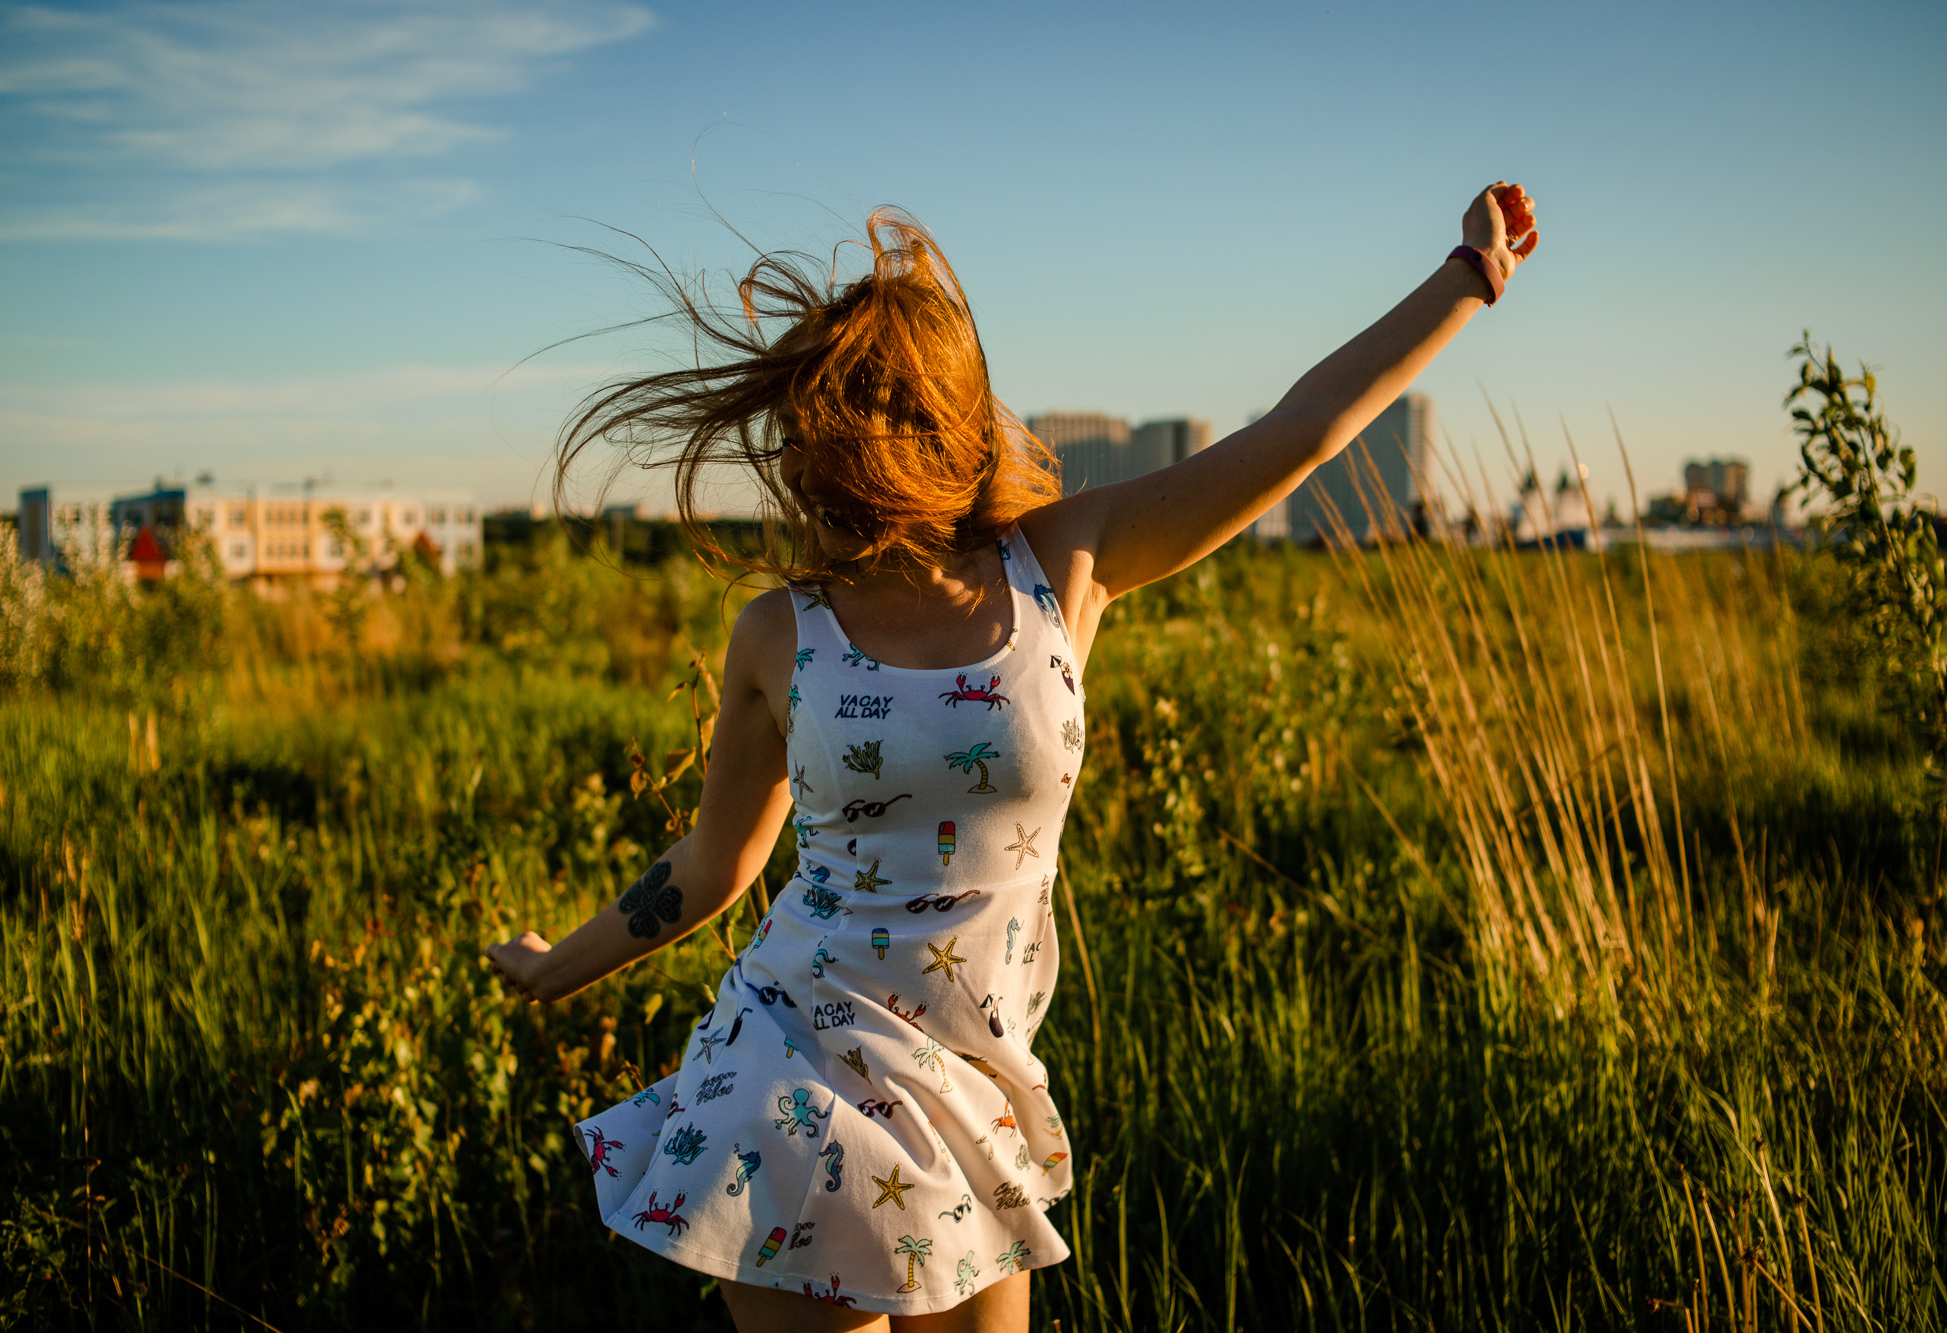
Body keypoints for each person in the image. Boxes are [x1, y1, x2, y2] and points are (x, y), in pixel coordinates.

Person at [485, 182, 1539, 1332]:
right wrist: (561, 965)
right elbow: (714, 856)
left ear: (931, 419)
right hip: (789, 1072)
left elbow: (1295, 431)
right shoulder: (781, 630)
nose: (812, 454)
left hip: (974, 1085)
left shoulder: (1060, 565)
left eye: (849, 415)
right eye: (808, 423)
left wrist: (1462, 283)